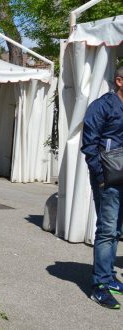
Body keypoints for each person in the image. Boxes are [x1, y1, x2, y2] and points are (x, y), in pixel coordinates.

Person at [81, 65, 123, 309]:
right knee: (107, 229)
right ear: (119, 81)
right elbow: (89, 144)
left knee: (117, 229)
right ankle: (99, 285)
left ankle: (109, 277)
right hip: (108, 178)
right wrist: (100, 176)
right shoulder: (102, 106)